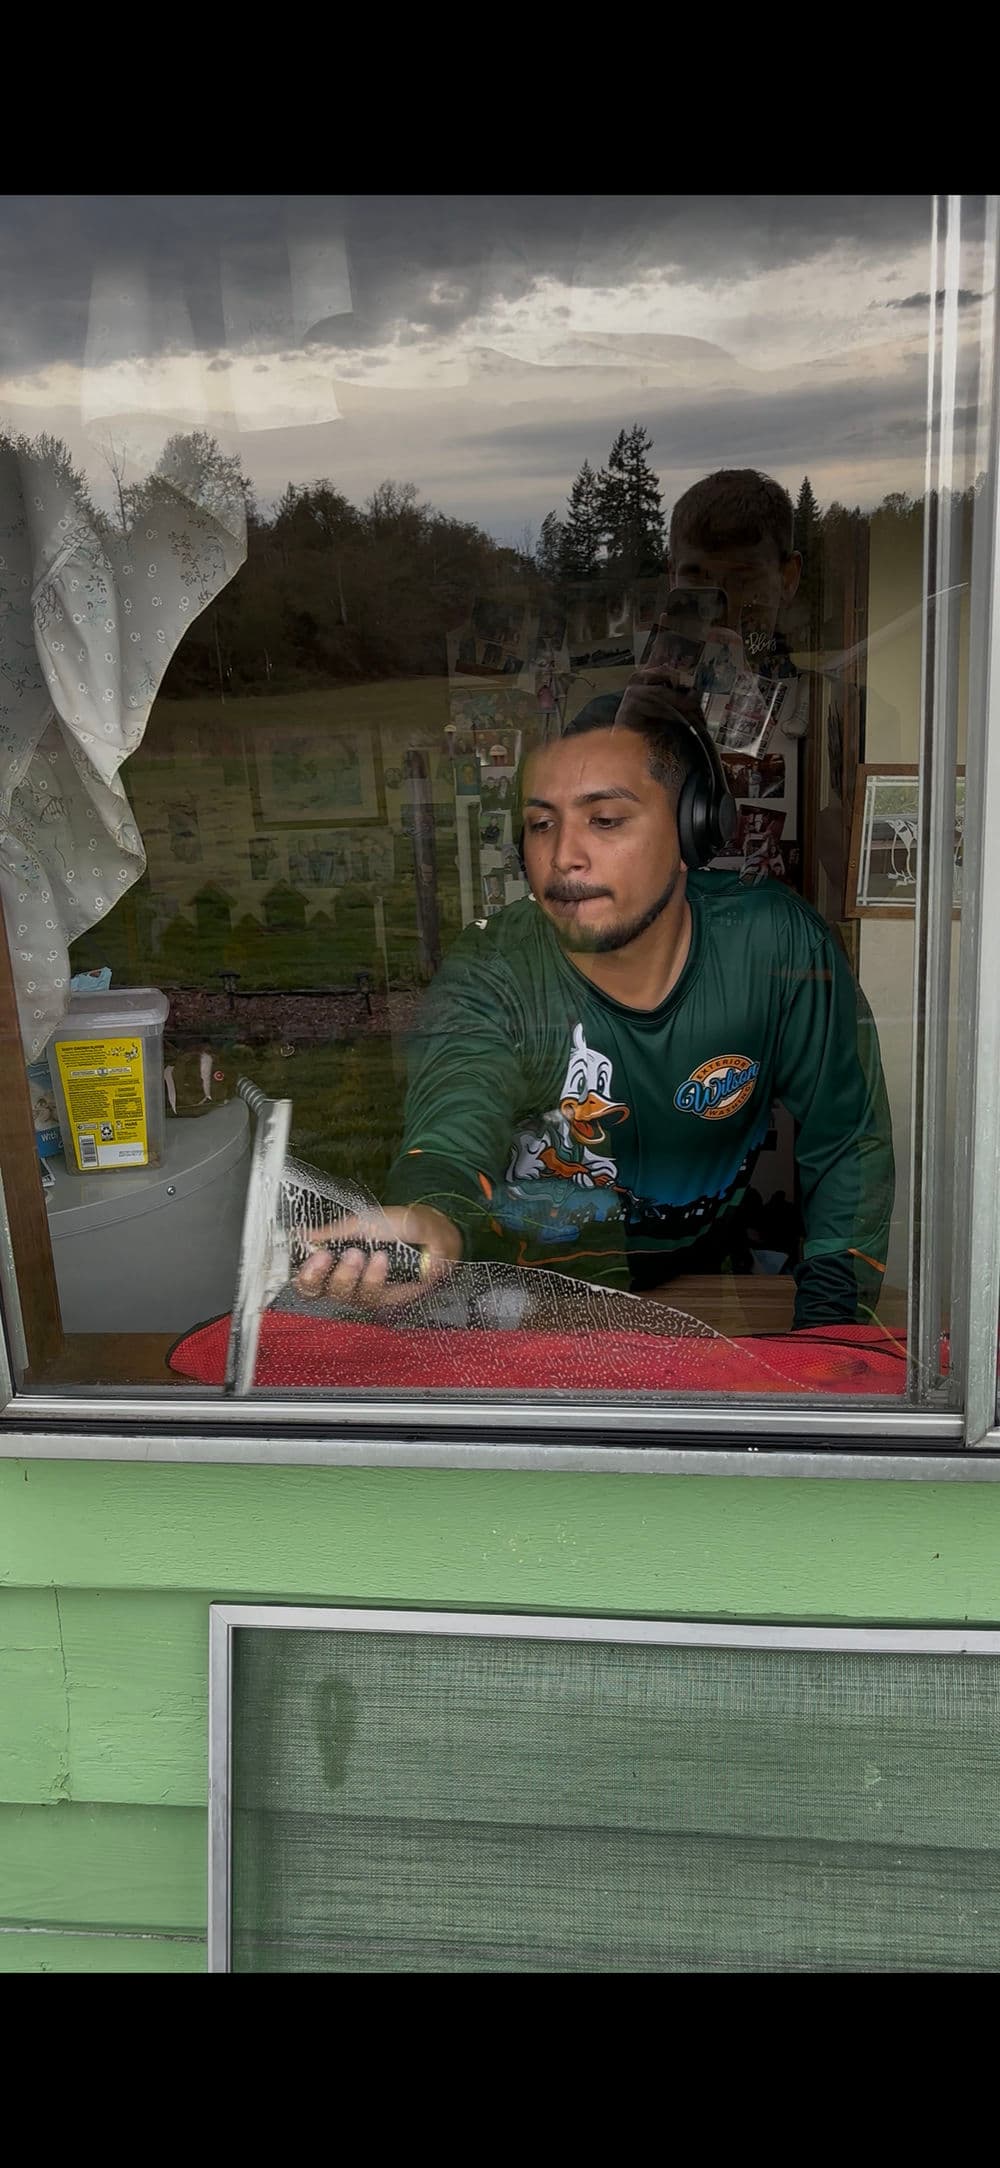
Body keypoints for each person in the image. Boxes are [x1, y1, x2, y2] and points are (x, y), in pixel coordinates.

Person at [297, 681, 894, 1329]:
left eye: (605, 820)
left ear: (695, 827)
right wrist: (428, 1215)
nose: (563, 857)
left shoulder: (777, 947)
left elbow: (847, 1145)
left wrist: (835, 1329)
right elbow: (452, 1128)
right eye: (541, 824)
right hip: (522, 1302)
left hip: (695, 1286)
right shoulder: (494, 970)